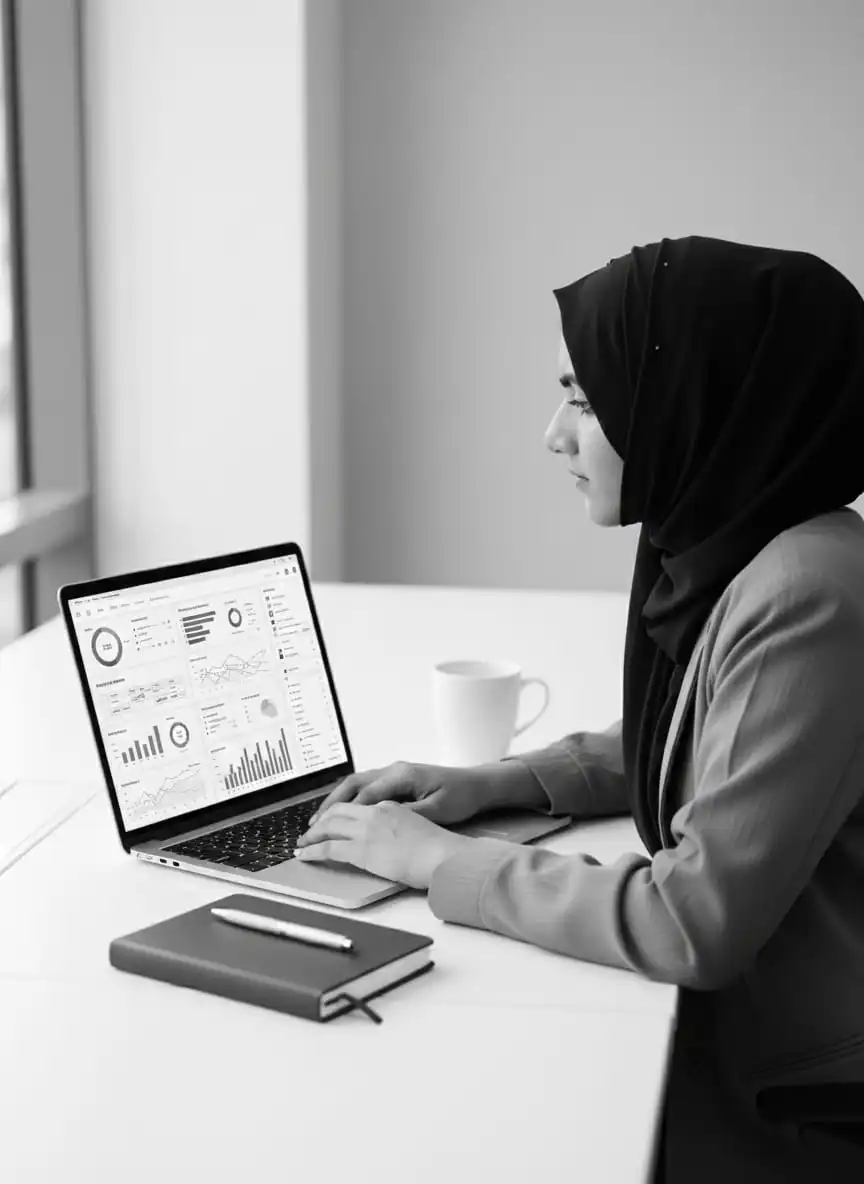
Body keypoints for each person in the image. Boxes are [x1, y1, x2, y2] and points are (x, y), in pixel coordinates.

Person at [295, 235, 864, 1181]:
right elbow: (709, 735)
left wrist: (439, 860)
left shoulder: (808, 593)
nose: (554, 434)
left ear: (697, 396)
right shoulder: (748, 542)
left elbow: (693, 922)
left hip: (794, 1092)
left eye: (585, 399)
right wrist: (496, 783)